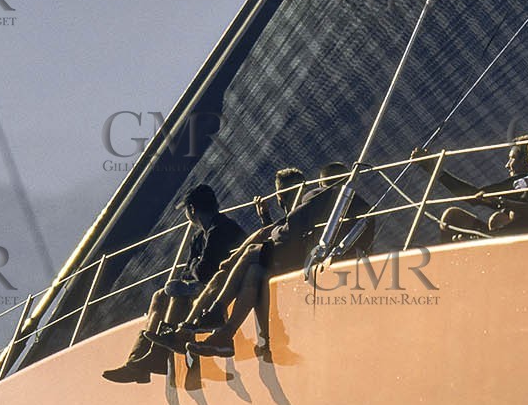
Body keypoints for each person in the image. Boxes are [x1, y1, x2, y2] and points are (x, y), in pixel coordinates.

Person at [169, 164, 364, 360]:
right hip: (319, 258)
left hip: (306, 260)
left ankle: (211, 317)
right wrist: (268, 223)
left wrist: (265, 234)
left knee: (248, 256)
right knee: (254, 271)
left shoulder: (321, 195)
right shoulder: (355, 203)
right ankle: (226, 335)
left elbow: (290, 228)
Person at [101, 183, 247, 383]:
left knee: (177, 293)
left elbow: (203, 271)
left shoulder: (222, 229)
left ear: (192, 210)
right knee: (160, 295)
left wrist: (195, 267)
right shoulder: (199, 237)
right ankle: (137, 362)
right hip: (203, 286)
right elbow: (191, 270)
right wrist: (195, 267)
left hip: (221, 288)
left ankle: (158, 356)